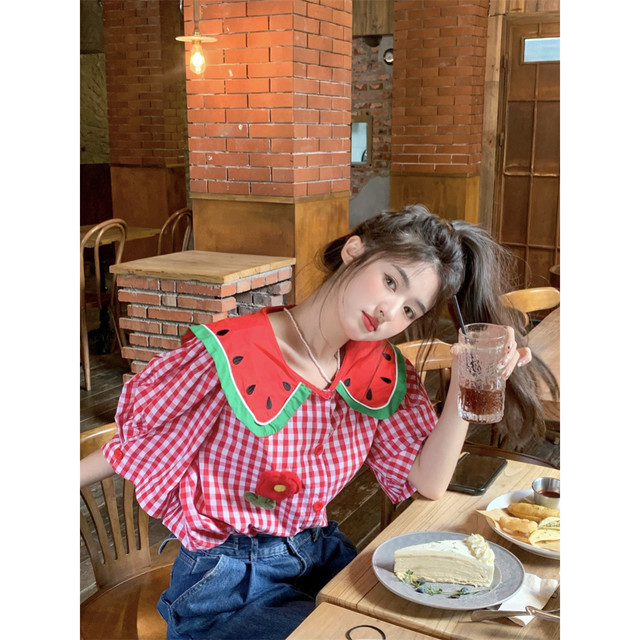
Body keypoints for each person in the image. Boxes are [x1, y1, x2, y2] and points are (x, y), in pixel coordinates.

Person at [80, 204, 549, 640]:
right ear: (354, 251)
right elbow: (133, 448)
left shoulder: (379, 371)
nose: (389, 311)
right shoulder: (228, 352)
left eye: (410, 309)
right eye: (390, 281)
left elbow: (428, 481)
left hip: (320, 555)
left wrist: (468, 384)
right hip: (228, 583)